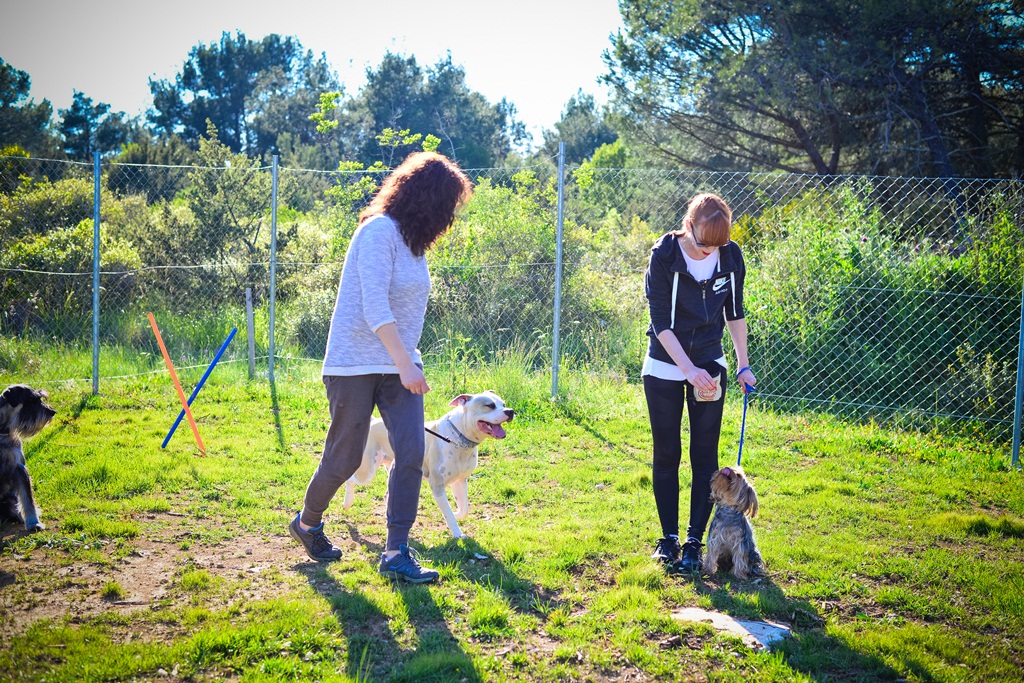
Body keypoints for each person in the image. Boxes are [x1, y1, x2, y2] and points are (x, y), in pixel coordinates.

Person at [288, 151, 472, 583]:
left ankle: (396, 552)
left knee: (411, 451)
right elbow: (375, 306)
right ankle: (307, 522)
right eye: (448, 206)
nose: (449, 218)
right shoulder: (378, 232)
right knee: (345, 456)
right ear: (425, 198)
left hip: (400, 364)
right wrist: (406, 364)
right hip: (354, 364)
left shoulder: (414, 246)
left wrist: (407, 363)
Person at [642, 192, 756, 573]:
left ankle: (694, 542)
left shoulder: (730, 255)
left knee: (704, 457)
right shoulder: (664, 255)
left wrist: (742, 365)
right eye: (704, 244)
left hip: (710, 362)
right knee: (667, 454)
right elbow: (661, 322)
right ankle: (668, 539)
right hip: (665, 363)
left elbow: (735, 313)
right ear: (688, 225)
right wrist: (688, 371)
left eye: (717, 246)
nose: (710, 253)